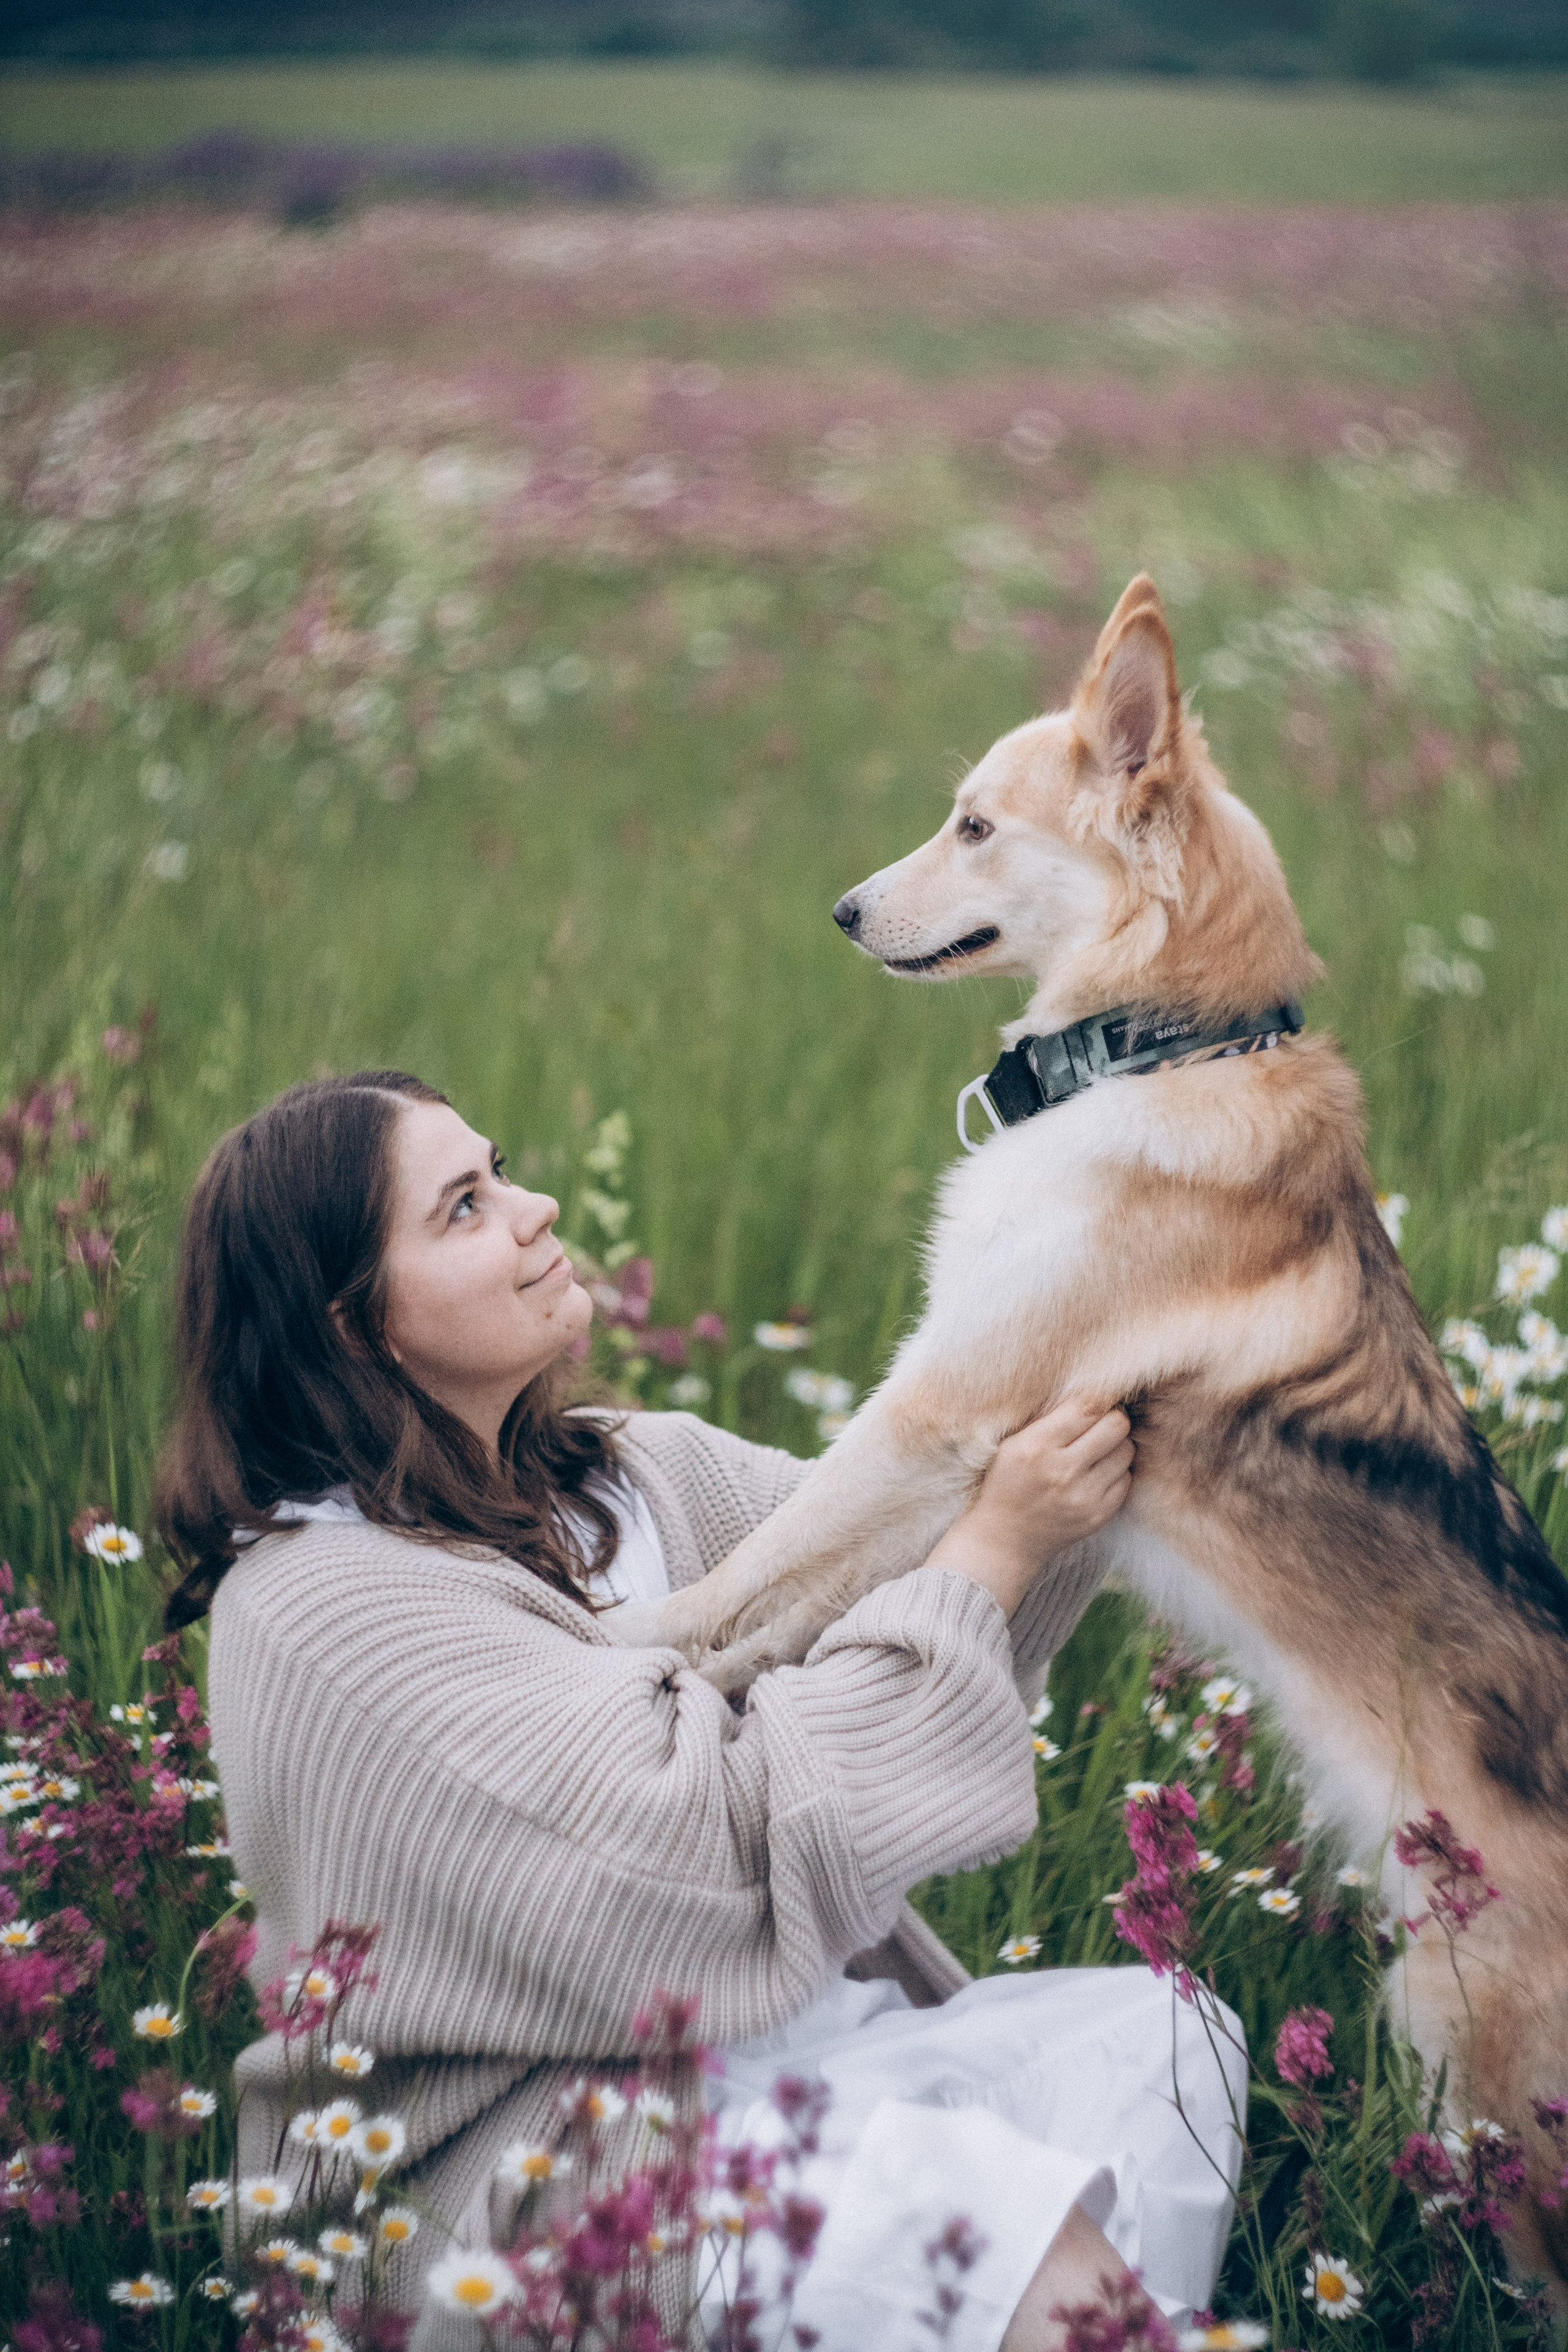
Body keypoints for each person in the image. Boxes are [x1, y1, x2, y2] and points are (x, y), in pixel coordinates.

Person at [156, 1070, 1245, 2352]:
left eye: (498, 1169)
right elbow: (687, 1859)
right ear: (354, 1326)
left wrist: (1100, 1315)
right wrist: (996, 1550)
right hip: (528, 2164)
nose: (533, 1207)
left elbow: (906, 1551)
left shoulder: (624, 1475)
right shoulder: (322, 1603)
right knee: (981, 2224)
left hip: (770, 2049)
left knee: (1166, 2048)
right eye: (463, 1207)